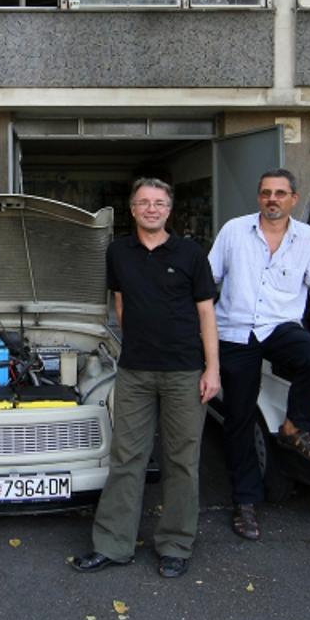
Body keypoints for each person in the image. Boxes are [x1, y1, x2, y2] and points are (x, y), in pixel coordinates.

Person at [71, 178, 220, 579]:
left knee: (182, 462)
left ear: (169, 209)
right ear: (133, 210)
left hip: (185, 373)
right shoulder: (119, 252)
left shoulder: (190, 253)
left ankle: (175, 545)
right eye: (143, 203)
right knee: (126, 460)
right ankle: (112, 545)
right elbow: (122, 307)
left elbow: (207, 314)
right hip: (135, 372)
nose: (151, 208)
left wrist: (213, 369)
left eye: (159, 202)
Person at [208, 168, 310, 542]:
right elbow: (207, 283)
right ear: (259, 197)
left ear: (293, 199)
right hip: (234, 331)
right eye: (266, 192)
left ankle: (292, 428)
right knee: (237, 417)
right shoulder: (234, 231)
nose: (272, 199)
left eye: (280, 193)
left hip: (280, 327)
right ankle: (246, 503)